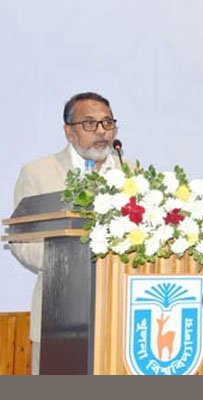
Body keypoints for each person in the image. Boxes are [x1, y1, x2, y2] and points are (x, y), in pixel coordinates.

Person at [11, 92, 124, 374]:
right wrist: (73, 260)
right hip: (59, 318)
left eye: (107, 122)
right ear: (69, 131)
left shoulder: (130, 171)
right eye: (90, 123)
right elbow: (22, 241)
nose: (101, 131)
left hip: (121, 315)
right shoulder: (39, 172)